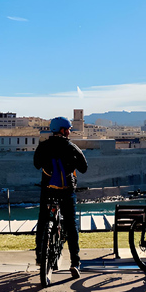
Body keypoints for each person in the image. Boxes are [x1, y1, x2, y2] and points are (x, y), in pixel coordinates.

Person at [33, 116, 88, 278]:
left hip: (48, 189)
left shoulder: (43, 146)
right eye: (69, 129)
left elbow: (36, 164)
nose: (70, 132)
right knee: (71, 224)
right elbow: (84, 168)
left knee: (43, 220)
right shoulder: (71, 147)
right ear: (63, 130)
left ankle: (39, 256)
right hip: (66, 189)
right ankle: (75, 262)